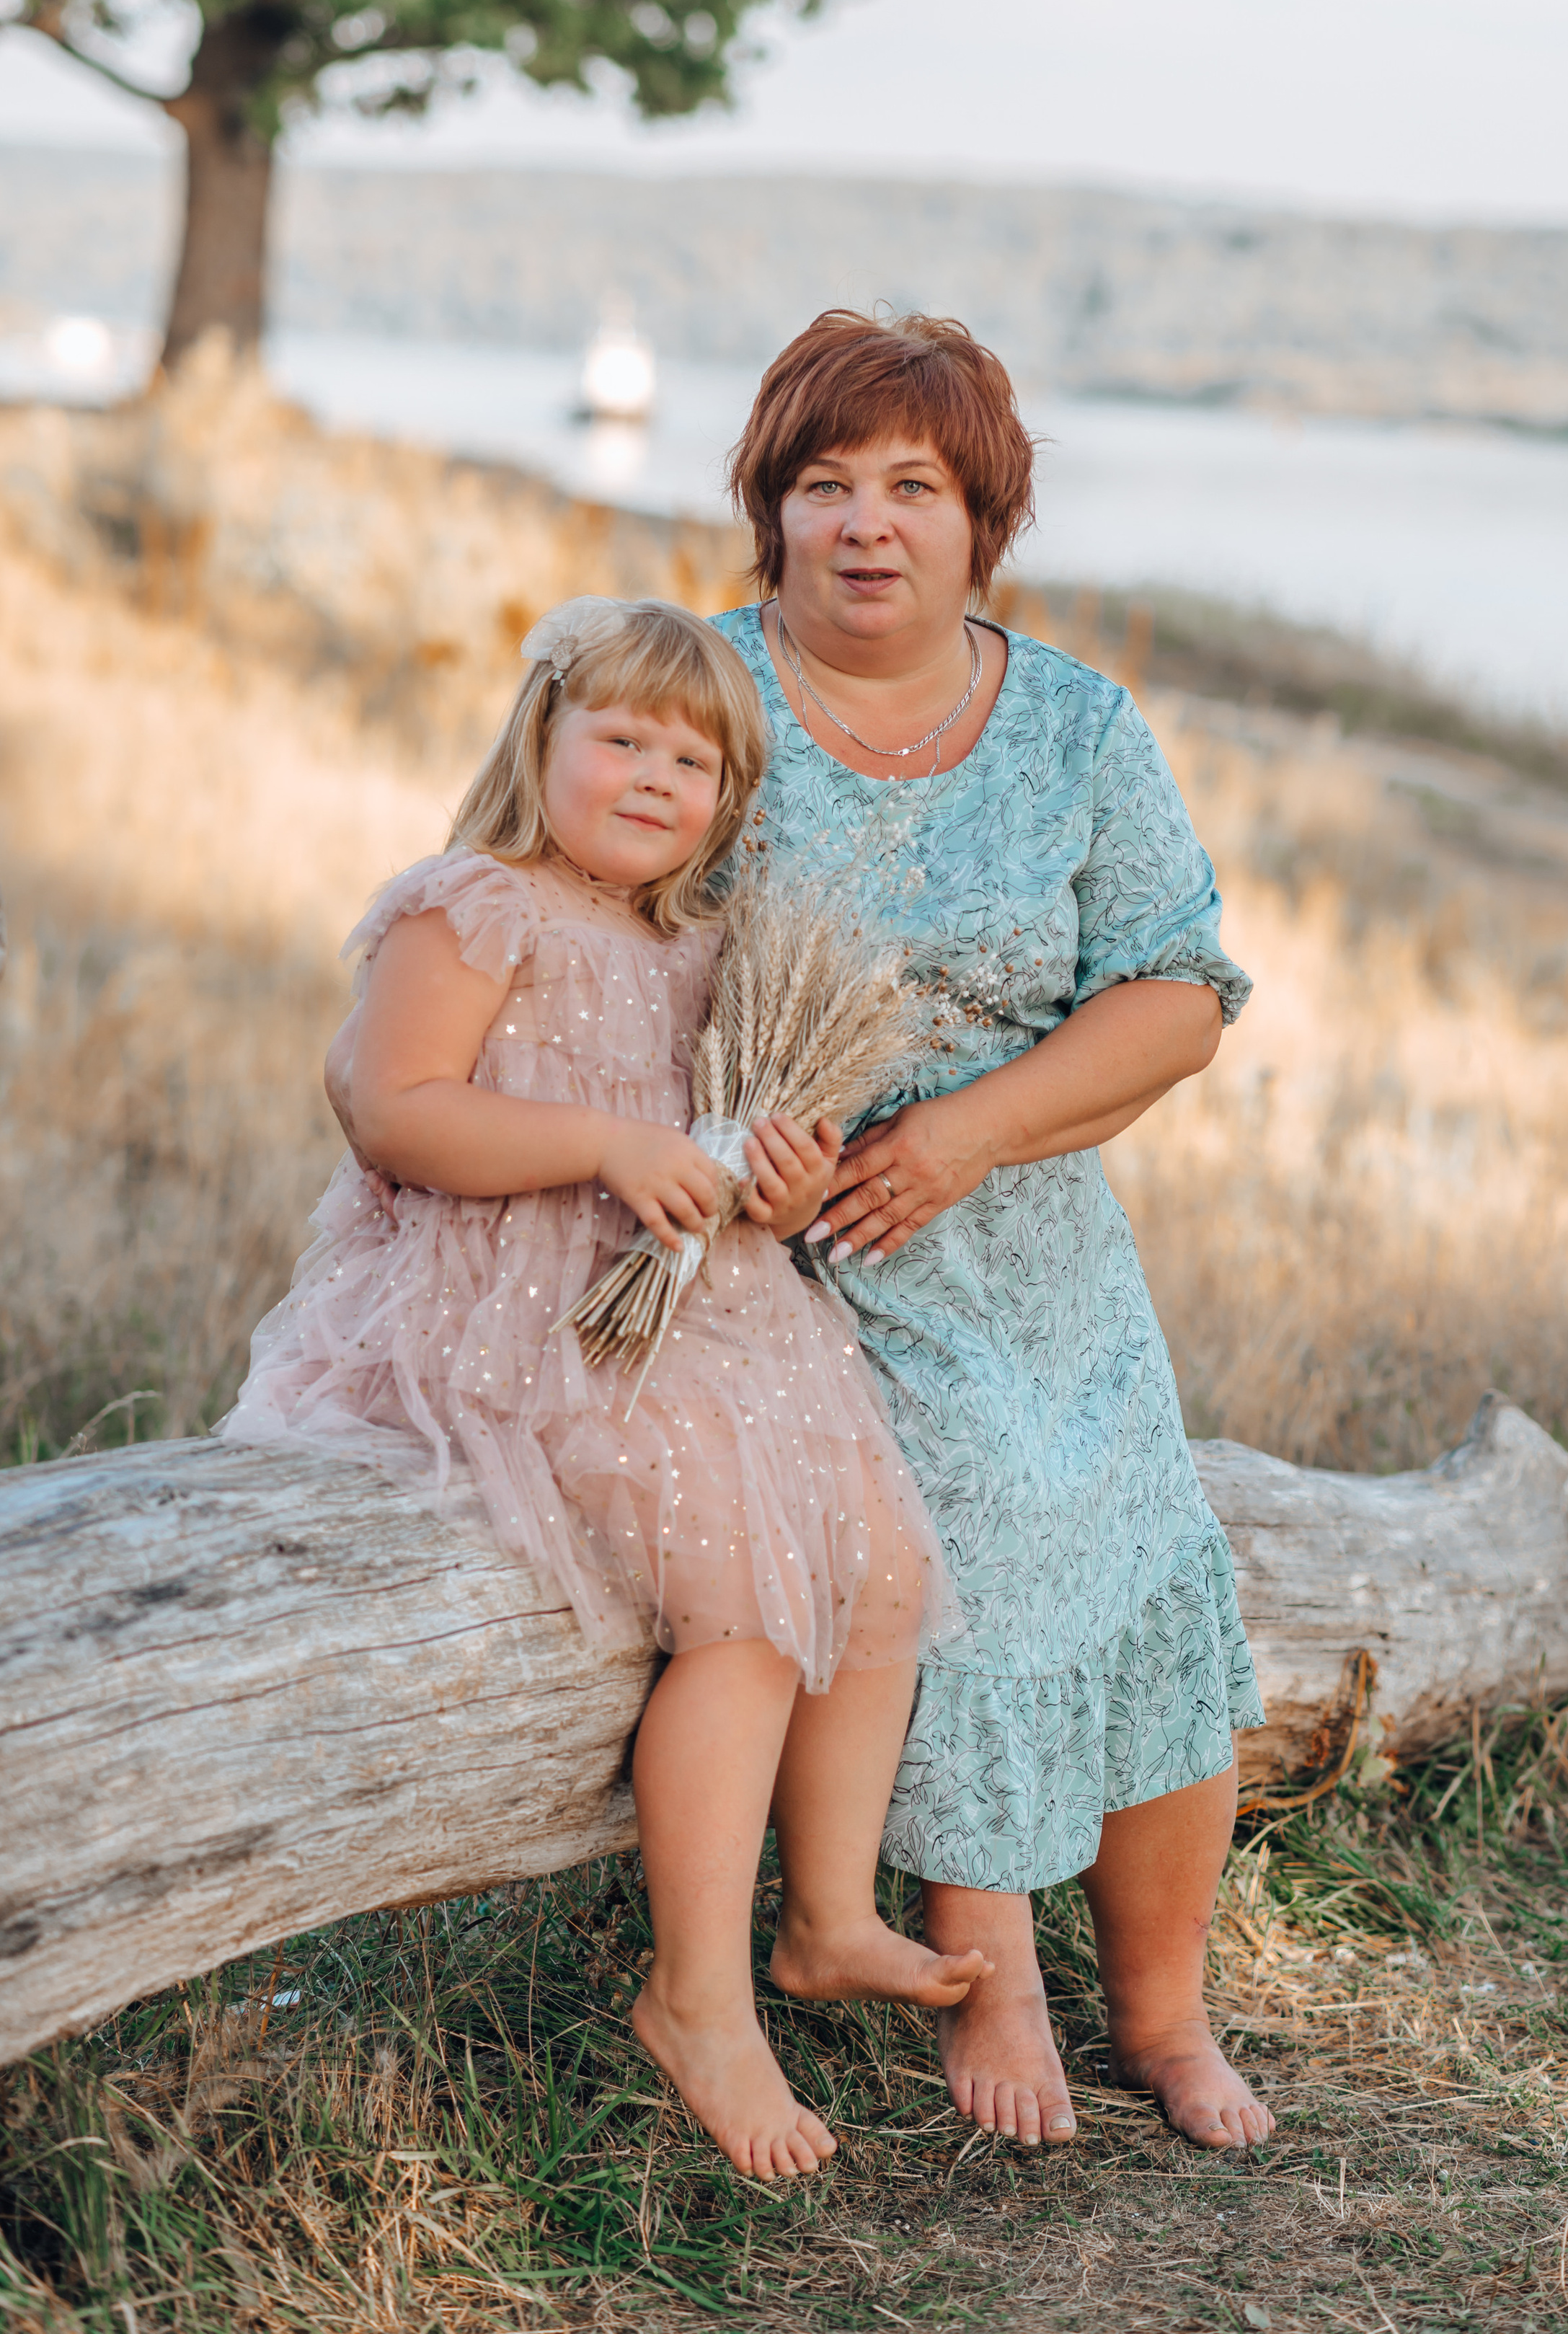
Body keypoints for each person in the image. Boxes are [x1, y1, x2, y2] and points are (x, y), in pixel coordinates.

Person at [221, 596, 985, 2180]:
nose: (656, 773)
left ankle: (827, 1916)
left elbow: (720, 1171)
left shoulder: (707, 947)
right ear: (542, 739)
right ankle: (694, 1998)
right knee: (748, 1605)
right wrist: (606, 1147)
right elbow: (391, 1112)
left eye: (694, 757)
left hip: (708, 1313)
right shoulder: (476, 907)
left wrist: (768, 1185)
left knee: (887, 1571)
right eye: (622, 736)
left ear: (728, 797)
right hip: (524, 1309)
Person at [710, 310, 1275, 2154]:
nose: (866, 525)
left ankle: (1168, 2011)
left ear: (982, 521)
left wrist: (962, 1134)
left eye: (914, 488)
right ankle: (990, 1965)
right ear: (769, 511)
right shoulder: (700, 693)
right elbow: (571, 939)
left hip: (1027, 1226)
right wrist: (737, 1154)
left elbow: (1177, 996)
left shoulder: (1073, 722)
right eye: (824, 486)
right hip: (779, 1247)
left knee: (1150, 1552)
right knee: (978, 1525)